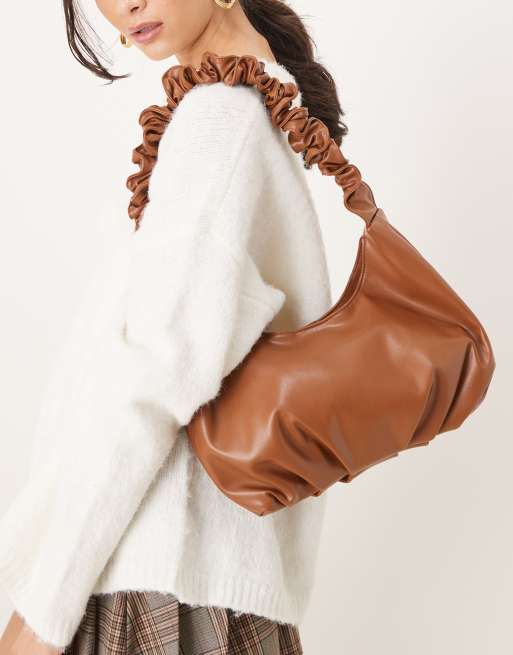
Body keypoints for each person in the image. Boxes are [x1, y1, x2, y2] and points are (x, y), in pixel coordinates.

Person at [0, 1, 348, 653]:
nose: (122, 5)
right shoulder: (250, 106)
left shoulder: (221, 120)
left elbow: (152, 378)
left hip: (154, 581)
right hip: (198, 576)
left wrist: (42, 611)